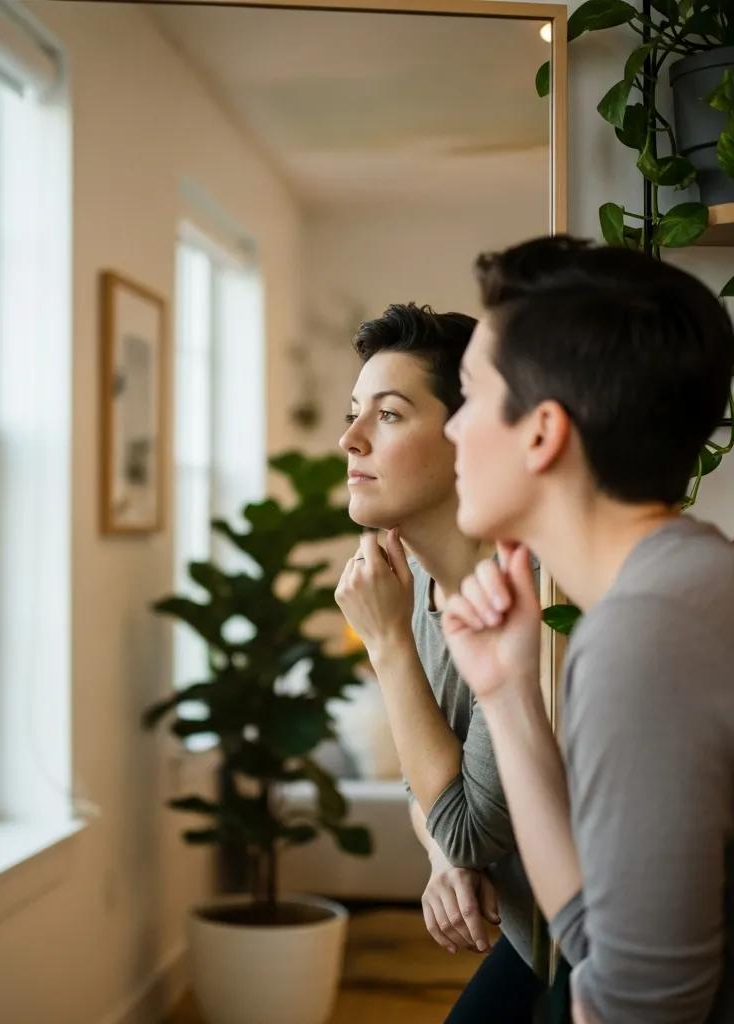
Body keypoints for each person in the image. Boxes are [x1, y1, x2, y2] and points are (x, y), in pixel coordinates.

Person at [433, 235, 734, 1023]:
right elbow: (598, 941)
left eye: (468, 398)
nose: (453, 432)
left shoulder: (651, 636)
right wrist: (503, 691)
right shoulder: (680, 588)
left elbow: (638, 1014)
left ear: (542, 432)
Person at [334, 303, 542, 1023]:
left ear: (467, 437)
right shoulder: (413, 581)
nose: (349, 438)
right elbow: (423, 779)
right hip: (532, 931)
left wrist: (386, 644)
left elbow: (468, 826)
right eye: (355, 412)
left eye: (387, 416)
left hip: (606, 943)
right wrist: (441, 862)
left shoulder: (529, 597)